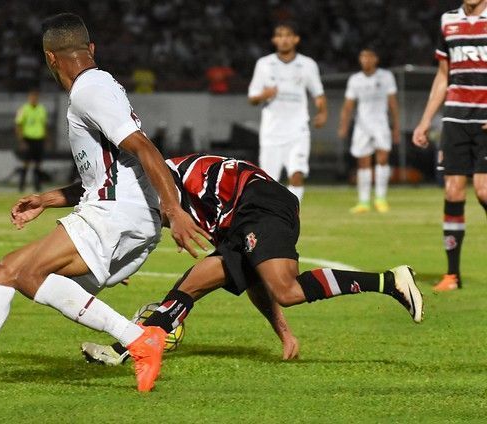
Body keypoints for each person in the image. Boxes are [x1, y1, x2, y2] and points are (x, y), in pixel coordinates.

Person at [0, 13, 209, 393]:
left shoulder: (90, 89)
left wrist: (174, 209)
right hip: (120, 214)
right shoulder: (96, 89)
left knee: (23, 273)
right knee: (7, 271)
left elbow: (144, 148)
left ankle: (138, 338)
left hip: (115, 214)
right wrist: (48, 199)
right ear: (90, 49)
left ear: (50, 58)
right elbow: (105, 173)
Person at [81, 153, 424, 366]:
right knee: (193, 283)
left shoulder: (177, 180)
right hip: (242, 217)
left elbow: (145, 207)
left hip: (261, 202)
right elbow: (253, 277)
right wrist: (284, 334)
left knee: (287, 291)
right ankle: (125, 349)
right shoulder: (177, 198)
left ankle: (391, 282)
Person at [412, 0, 487, 292]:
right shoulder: (448, 20)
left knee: (483, 190)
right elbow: (444, 75)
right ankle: (452, 275)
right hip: (455, 118)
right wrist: (425, 121)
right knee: (453, 190)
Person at [248, 22, 327, 203]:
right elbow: (252, 98)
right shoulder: (264, 64)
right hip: (272, 132)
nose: (284, 39)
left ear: (295, 39)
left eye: (288, 35)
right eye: (280, 35)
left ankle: (293, 215)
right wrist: (264, 94)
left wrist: (322, 112)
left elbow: (319, 94)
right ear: (275, 40)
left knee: (297, 174)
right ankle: (272, 219)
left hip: (297, 130)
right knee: (268, 181)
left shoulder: (307, 64)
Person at [338, 48, 400, 214]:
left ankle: (381, 199)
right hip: (362, 126)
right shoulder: (355, 80)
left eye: (369, 56)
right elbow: (348, 105)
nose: (365, 60)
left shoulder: (386, 77)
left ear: (375, 59)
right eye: (362, 56)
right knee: (363, 162)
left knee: (382, 159)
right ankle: (364, 201)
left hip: (381, 124)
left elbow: (393, 103)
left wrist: (396, 127)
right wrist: (343, 125)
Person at [14, 89, 48, 192]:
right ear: (29, 98)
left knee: (38, 164)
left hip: (39, 139)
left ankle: (37, 186)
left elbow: (44, 124)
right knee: (26, 163)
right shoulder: (24, 109)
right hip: (28, 139)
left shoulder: (42, 109)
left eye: (35, 98)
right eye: (32, 97)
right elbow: (18, 125)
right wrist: (21, 140)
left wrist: (46, 138)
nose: (33, 99)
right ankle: (21, 186)